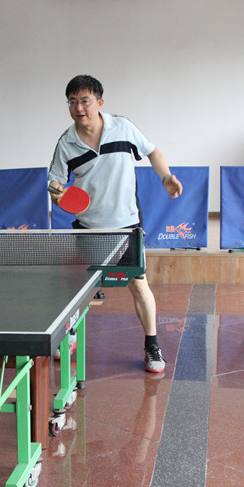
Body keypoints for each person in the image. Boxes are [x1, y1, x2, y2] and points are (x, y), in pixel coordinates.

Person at [48, 75, 183, 373]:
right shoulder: (66, 143)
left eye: (85, 101)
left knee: (138, 284)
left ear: (99, 102)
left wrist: (165, 177)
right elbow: (55, 183)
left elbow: (152, 151)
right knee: (78, 288)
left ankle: (152, 346)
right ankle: (70, 334)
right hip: (89, 227)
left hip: (126, 225)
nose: (78, 108)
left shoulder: (122, 127)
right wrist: (58, 195)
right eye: (72, 102)